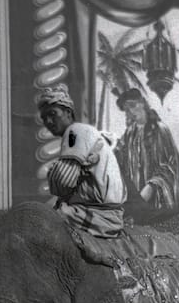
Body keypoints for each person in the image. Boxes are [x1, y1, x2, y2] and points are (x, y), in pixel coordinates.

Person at [36, 86, 126, 237]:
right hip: (106, 213)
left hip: (100, 216)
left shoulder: (74, 132)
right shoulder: (86, 132)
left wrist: (53, 172)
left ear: (68, 113)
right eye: (44, 118)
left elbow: (63, 183)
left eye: (53, 114)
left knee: (40, 221)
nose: (48, 121)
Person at [113, 88, 179, 210]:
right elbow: (117, 159)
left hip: (157, 199)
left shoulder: (160, 130)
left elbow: (171, 164)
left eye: (133, 105)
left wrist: (152, 186)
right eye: (126, 109)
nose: (130, 111)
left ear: (143, 102)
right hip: (135, 200)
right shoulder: (129, 134)